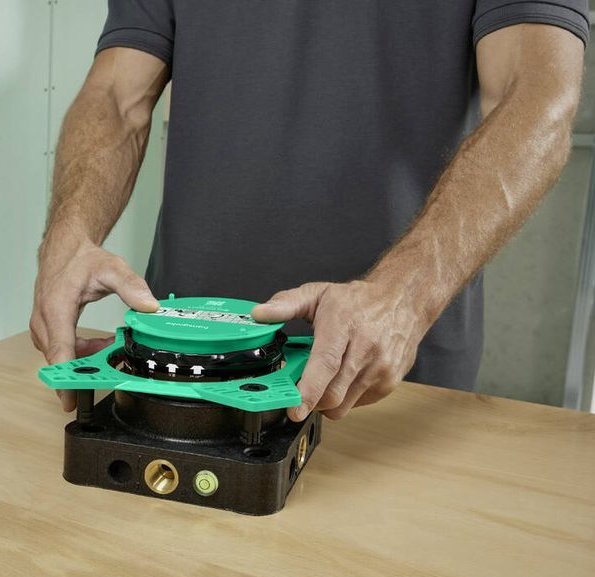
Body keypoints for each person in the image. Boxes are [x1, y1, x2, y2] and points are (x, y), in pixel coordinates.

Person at [30, 1, 588, 421]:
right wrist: (68, 237)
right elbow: (117, 97)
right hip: (178, 357)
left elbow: (536, 97)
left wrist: (404, 298)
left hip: (378, 374)